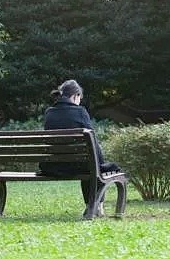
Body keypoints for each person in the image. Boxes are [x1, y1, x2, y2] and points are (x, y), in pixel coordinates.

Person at [40, 79, 121, 218]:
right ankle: (96, 206)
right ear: (75, 95)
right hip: (78, 165)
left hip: (53, 166)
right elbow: (92, 142)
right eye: (80, 98)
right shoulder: (81, 112)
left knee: (89, 164)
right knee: (93, 166)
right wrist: (100, 164)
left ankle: (93, 206)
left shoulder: (49, 112)